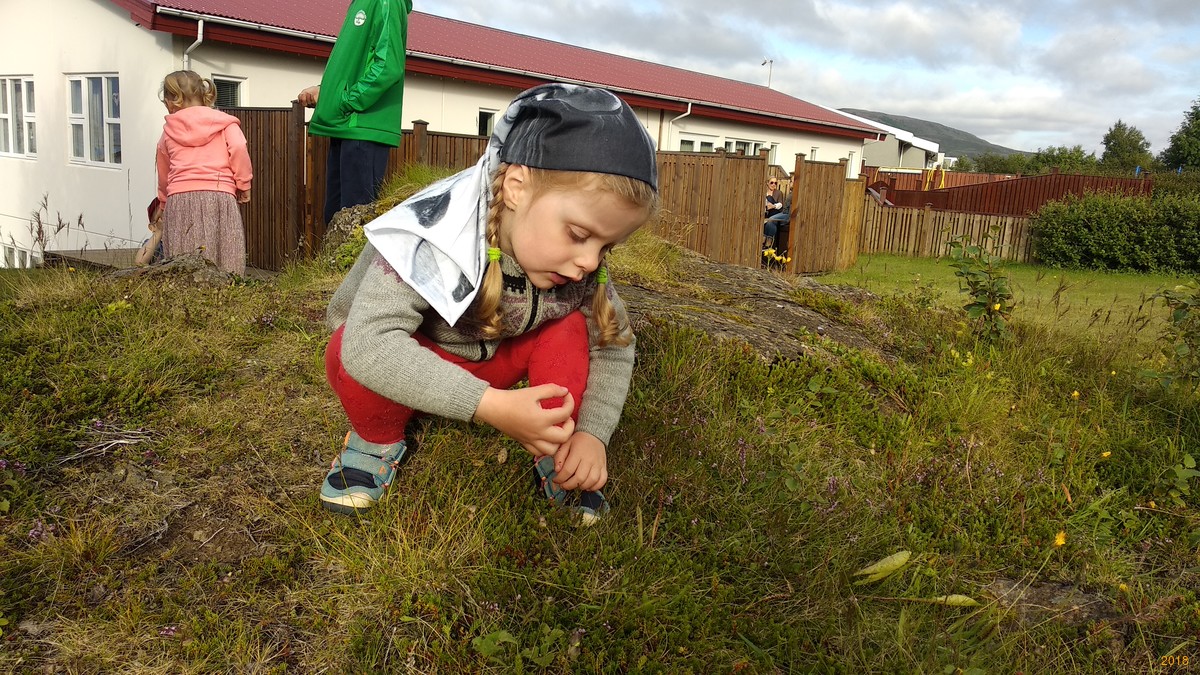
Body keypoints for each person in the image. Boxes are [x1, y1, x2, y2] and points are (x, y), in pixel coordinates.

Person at [320, 83, 659, 526]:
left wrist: (593, 433)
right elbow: (367, 345)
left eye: (607, 247)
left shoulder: (579, 269)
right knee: (347, 345)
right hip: (406, 364)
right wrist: (494, 408)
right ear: (517, 186)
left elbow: (614, 345)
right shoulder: (435, 234)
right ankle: (375, 438)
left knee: (570, 327)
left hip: (494, 362)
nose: (589, 262)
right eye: (578, 235)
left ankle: (558, 447)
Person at [297, 0, 411, 226]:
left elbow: (388, 65)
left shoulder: (385, 1)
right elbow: (354, 68)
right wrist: (326, 93)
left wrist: (347, 101)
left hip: (361, 130)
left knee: (354, 226)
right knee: (336, 222)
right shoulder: (362, 3)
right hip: (347, 127)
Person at [154, 70, 253, 275]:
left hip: (179, 199)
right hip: (219, 194)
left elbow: (163, 171)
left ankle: (187, 298)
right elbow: (238, 148)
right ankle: (229, 292)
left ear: (172, 101)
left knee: (183, 257)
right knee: (226, 250)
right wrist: (243, 184)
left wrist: (163, 202)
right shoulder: (224, 123)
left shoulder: (168, 131)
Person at [762, 176, 789, 249]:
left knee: (770, 198)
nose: (774, 184)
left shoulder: (778, 193)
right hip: (766, 213)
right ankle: (768, 241)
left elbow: (780, 204)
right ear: (767, 183)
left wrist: (773, 206)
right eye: (772, 182)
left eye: (775, 183)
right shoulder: (763, 192)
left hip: (776, 212)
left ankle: (766, 239)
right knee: (770, 222)